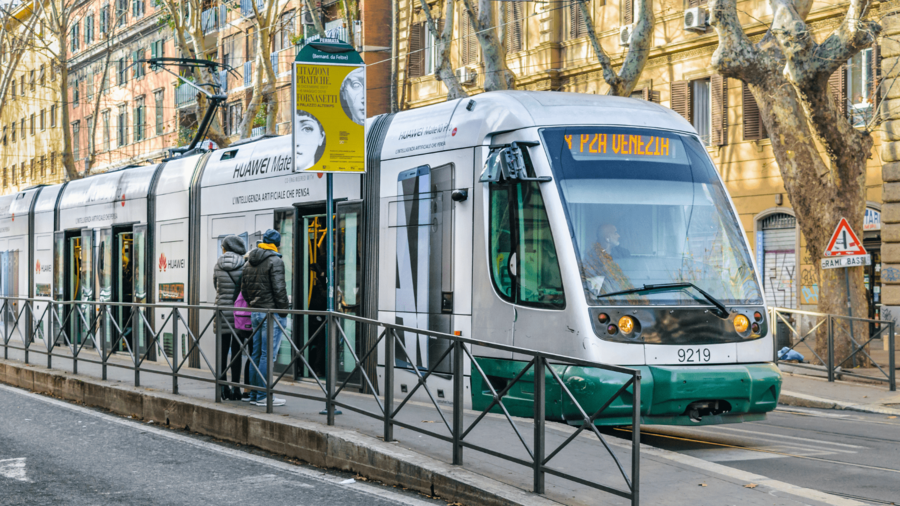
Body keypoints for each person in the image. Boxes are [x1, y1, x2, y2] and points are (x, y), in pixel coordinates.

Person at [241, 229, 289, 407]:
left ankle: (254, 394)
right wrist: (284, 311)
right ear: (277, 243)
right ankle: (263, 396)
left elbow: (244, 289)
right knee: (267, 356)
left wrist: (253, 304)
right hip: (271, 313)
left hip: (256, 312)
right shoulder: (275, 261)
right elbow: (280, 290)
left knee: (256, 354)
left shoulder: (249, 262)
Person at [213, 235, 247, 400]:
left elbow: (216, 286)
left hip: (221, 312)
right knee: (236, 352)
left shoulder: (217, 264)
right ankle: (236, 389)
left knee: (222, 351)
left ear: (226, 248)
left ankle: (222, 388)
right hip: (237, 313)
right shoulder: (244, 264)